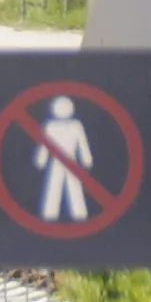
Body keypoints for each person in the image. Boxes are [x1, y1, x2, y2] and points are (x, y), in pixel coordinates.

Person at [33, 93, 97, 224]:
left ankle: (79, 213)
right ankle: (50, 213)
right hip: (56, 161)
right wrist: (41, 158)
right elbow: (44, 144)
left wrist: (86, 158)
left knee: (74, 186)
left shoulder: (76, 125)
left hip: (71, 159)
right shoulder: (50, 126)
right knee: (53, 186)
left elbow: (82, 142)